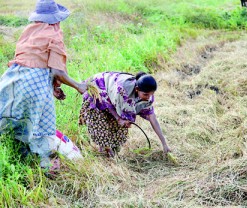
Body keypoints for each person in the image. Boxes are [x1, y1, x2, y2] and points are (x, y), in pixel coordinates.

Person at [0, 0, 87, 169]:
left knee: (17, 120)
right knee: (43, 125)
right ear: (56, 19)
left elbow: (35, 62)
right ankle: (46, 166)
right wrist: (78, 86)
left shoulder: (28, 31)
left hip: (12, 80)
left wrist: (54, 88)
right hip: (35, 85)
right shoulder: (54, 35)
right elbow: (58, 72)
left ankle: (22, 158)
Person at [79, 71, 171, 157]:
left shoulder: (147, 95)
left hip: (114, 97)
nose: (148, 97)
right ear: (137, 89)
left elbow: (152, 118)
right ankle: (104, 150)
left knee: (119, 127)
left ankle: (110, 149)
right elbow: (107, 103)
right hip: (99, 88)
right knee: (101, 121)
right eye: (146, 95)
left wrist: (164, 144)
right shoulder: (122, 91)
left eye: (151, 94)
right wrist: (119, 118)